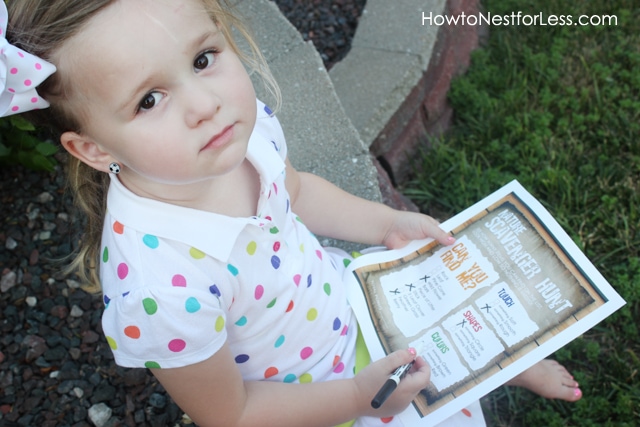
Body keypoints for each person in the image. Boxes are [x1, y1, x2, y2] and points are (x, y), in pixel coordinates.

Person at [3, 0, 582, 426]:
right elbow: (230, 414)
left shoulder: (236, 139)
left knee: (432, 324)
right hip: (314, 404)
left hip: (344, 306)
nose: (205, 105)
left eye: (204, 58)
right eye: (149, 100)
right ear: (94, 150)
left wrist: (384, 225)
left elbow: (297, 194)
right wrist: (357, 399)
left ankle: (491, 363)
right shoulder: (160, 292)